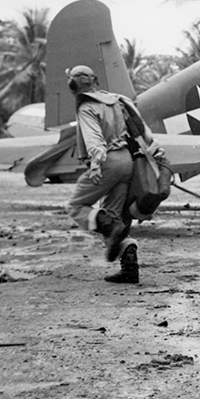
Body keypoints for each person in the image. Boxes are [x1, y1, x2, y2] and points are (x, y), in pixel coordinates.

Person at [66, 65, 158, 284]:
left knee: (75, 206)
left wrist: (96, 163)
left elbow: (94, 139)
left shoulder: (87, 107)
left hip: (107, 161)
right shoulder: (118, 101)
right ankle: (129, 268)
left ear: (73, 86)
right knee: (114, 215)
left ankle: (112, 228)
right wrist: (158, 154)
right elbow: (143, 131)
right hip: (128, 162)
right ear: (95, 81)